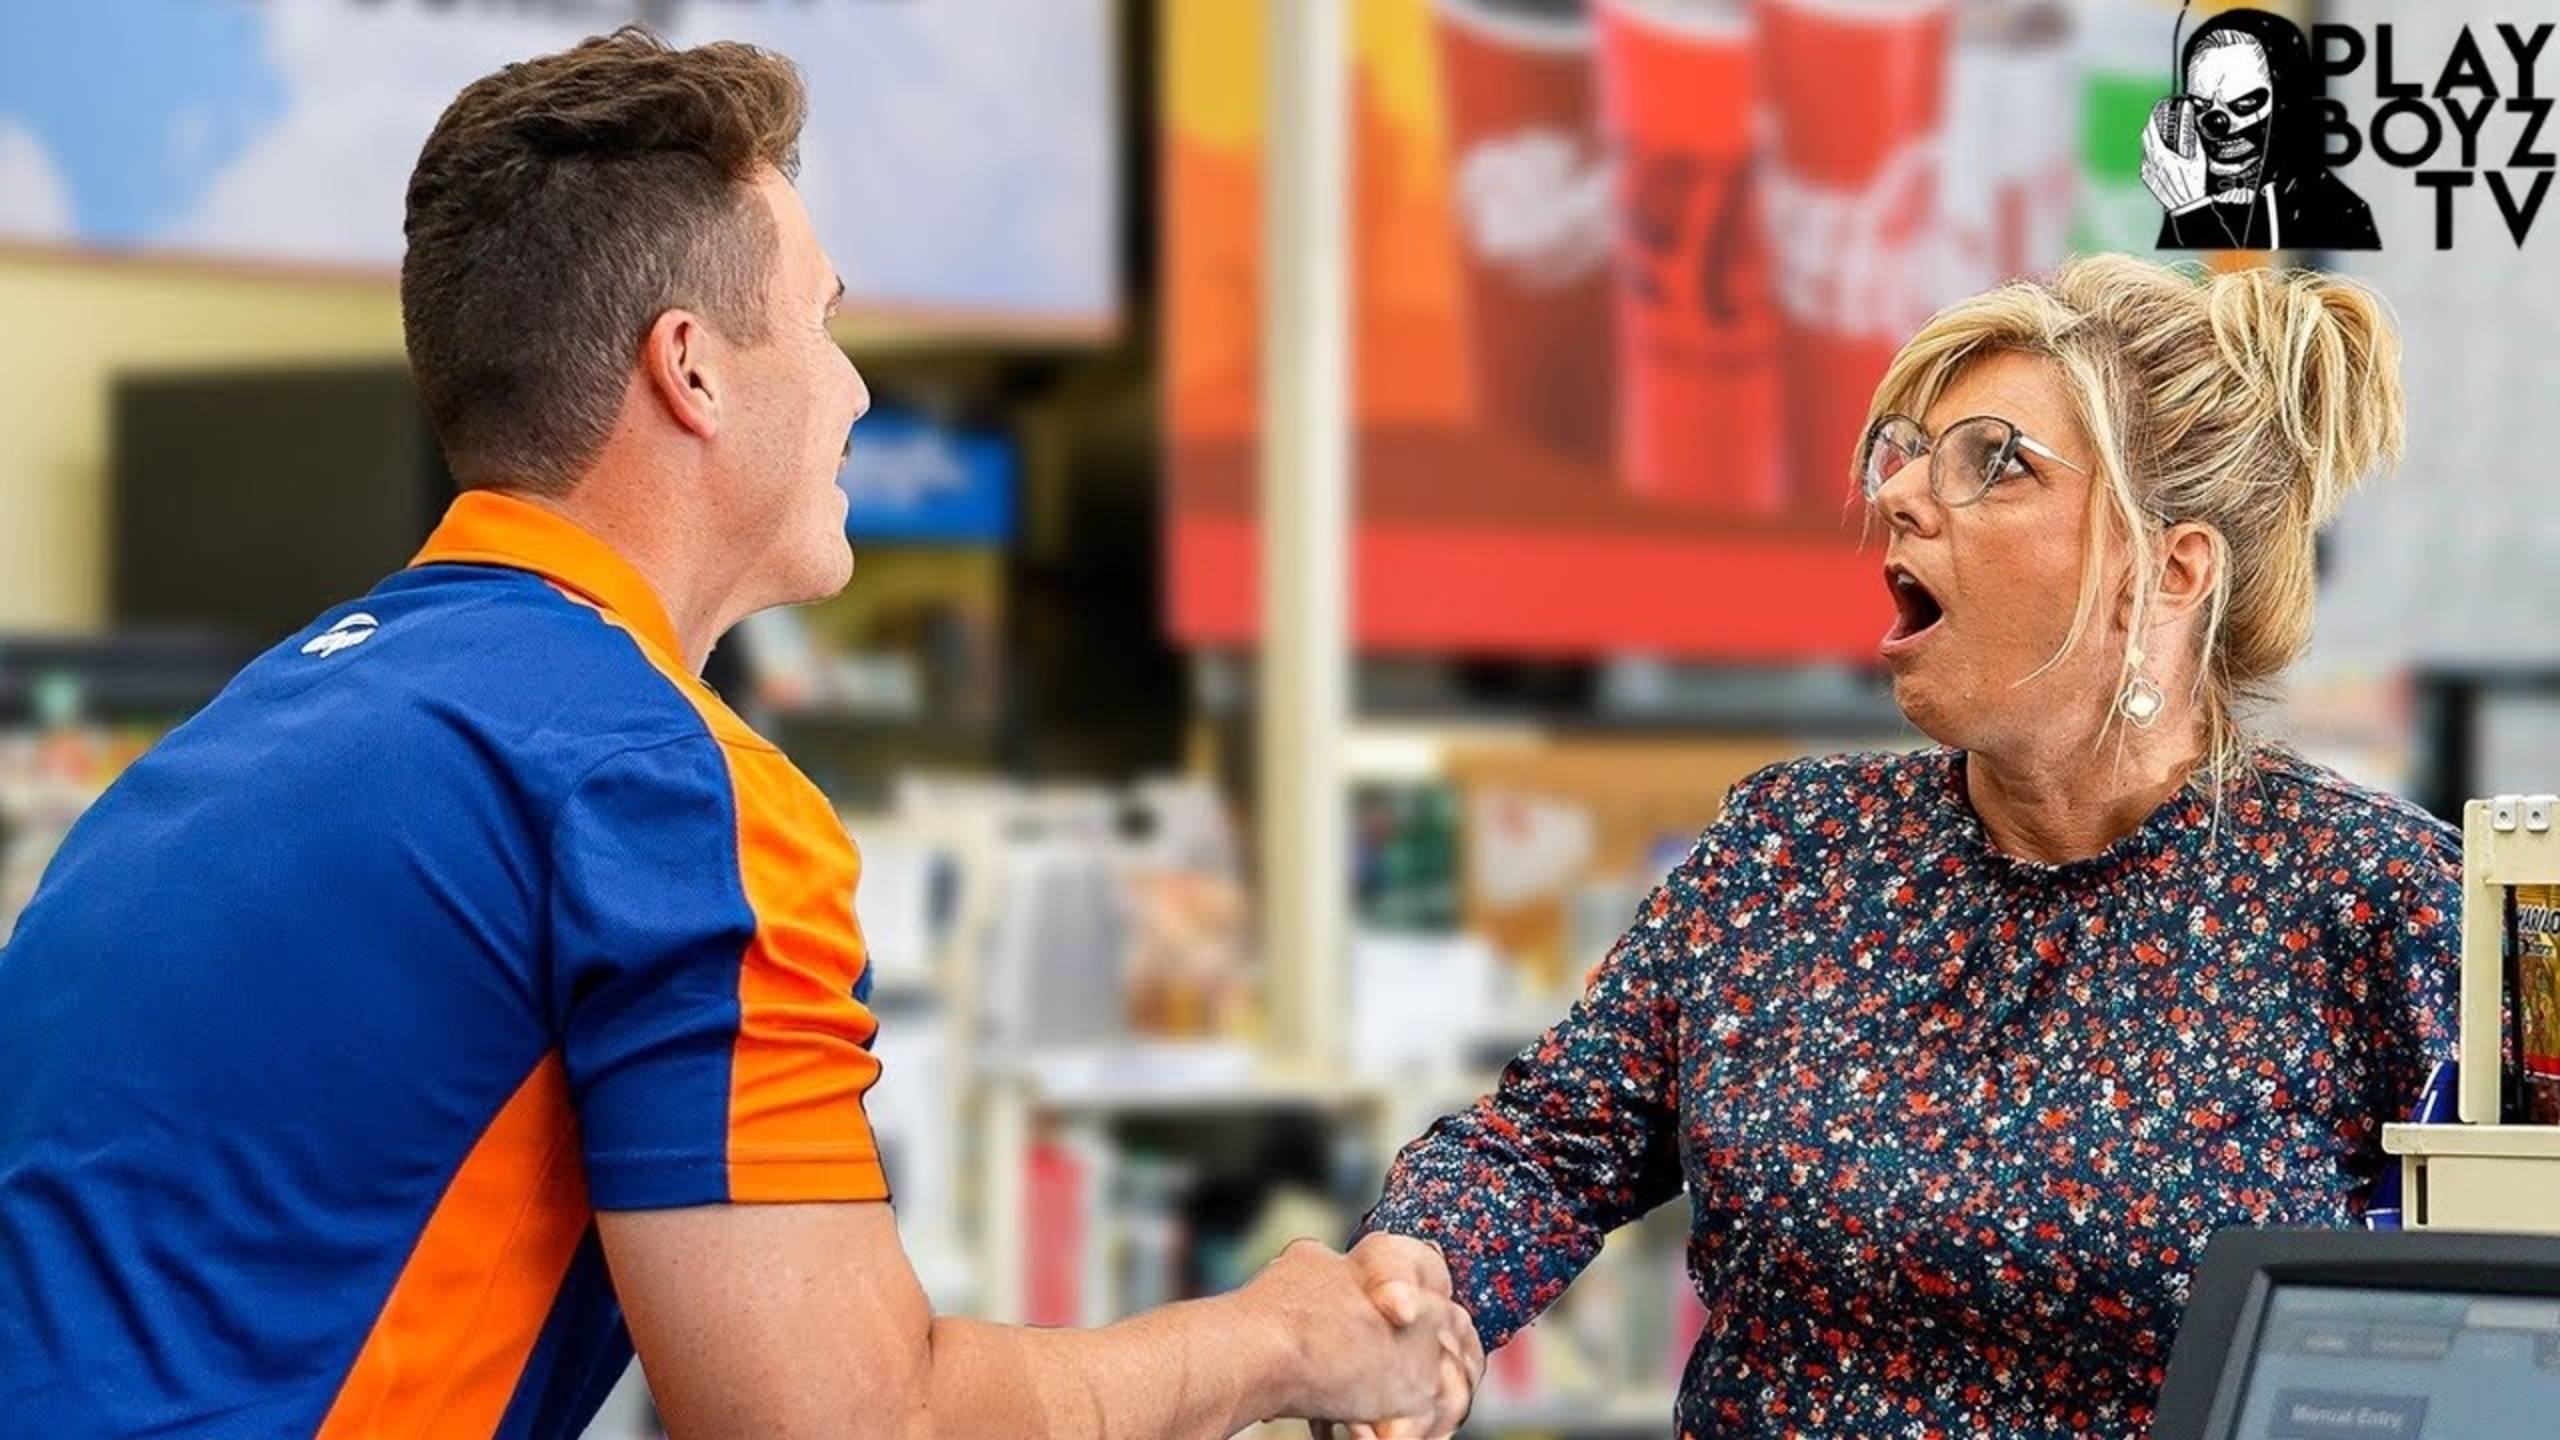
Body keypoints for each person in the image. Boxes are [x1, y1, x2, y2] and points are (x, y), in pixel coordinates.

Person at [0, 28, 1479, 1440]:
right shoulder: (658, 789)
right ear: (692, 368)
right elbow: (853, 1422)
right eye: (823, 320)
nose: (857, 387)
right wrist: (1282, 1337)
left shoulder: (232, 740)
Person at [1354, 253, 2452, 1437]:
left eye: (1995, 462)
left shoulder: (2380, 898)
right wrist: (1419, 1270)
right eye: (1909, 452)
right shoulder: (1790, 849)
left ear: (2166, 571)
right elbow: (1551, 1149)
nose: (1905, 495)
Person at [2144, 7, 2380, 252]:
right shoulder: (2179, 190)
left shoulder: (2338, 213)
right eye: (2201, 105)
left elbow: (2242, 280)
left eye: (2244, 103)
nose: (2217, 124)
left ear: (2286, 103)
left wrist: (2191, 211)